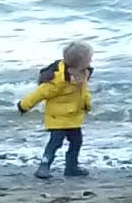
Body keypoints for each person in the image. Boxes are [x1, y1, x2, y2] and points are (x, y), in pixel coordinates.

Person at [18, 41, 95, 179]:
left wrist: (87, 105)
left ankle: (71, 166)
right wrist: (24, 105)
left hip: (74, 118)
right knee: (55, 143)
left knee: (77, 142)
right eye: (89, 58)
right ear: (80, 62)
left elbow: (84, 92)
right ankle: (44, 166)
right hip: (57, 119)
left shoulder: (84, 74)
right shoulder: (57, 80)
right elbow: (39, 94)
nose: (91, 61)